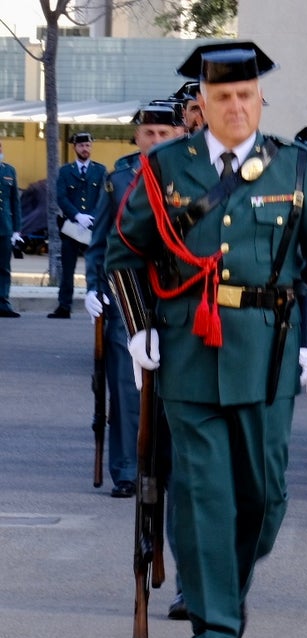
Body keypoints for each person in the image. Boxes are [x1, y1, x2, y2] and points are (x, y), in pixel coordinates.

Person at [104, 40, 307, 638]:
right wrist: (138, 329)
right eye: (222, 97)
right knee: (205, 490)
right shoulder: (164, 168)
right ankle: (213, 627)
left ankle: (225, 589)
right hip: (186, 348)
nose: (235, 106)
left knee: (265, 497)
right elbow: (123, 251)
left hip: (267, 351)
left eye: (245, 95)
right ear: (201, 104)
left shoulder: (295, 168)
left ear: (260, 99)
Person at [84, 103, 181, 498]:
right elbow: (101, 241)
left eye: (163, 134)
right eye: (149, 134)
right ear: (137, 137)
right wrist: (93, 286)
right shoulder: (119, 178)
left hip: (178, 294)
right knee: (127, 386)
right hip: (128, 293)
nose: (155, 140)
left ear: (178, 136)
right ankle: (127, 469)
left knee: (176, 385)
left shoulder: (195, 175)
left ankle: (168, 466)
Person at [51, 132, 107, 318]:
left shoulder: (100, 171)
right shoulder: (65, 171)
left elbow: (104, 197)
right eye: (81, 146)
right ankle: (64, 306)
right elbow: (61, 197)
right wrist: (76, 215)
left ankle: (100, 303)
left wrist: (91, 216)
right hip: (72, 228)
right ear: (74, 147)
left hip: (93, 227)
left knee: (97, 267)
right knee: (68, 269)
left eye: (88, 145)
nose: (85, 149)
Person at [0, 139, 21, 318]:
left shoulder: (9, 170)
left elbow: (15, 202)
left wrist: (17, 229)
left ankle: (3, 301)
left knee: (4, 267)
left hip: (4, 227)